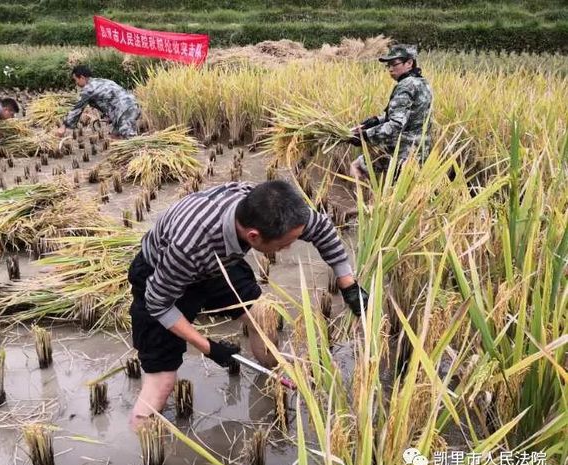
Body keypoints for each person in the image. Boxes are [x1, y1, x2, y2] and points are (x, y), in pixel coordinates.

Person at [128, 180, 369, 429]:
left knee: (263, 316)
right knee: (162, 383)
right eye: (284, 244)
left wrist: (347, 284)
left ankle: (272, 378)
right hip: (159, 278)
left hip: (217, 267)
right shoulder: (190, 245)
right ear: (253, 236)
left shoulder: (266, 207)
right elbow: (158, 304)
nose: (287, 248)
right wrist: (209, 347)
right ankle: (145, 443)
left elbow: (321, 228)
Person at [348, 44, 433, 179]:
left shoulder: (406, 86)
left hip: (403, 153)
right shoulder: (422, 83)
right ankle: (372, 196)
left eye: (394, 64)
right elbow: (407, 116)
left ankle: (364, 197)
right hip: (420, 150)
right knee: (360, 165)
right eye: (388, 65)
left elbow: (396, 125)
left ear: (409, 63)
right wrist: (373, 122)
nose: (390, 69)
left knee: (357, 167)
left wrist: (365, 136)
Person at [55, 65, 140, 140]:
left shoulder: (88, 89)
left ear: (82, 78)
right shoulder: (100, 81)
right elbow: (109, 100)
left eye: (75, 80)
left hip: (125, 109)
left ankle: (142, 155)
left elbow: (77, 108)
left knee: (129, 138)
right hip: (130, 106)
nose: (76, 83)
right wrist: (109, 116)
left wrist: (64, 127)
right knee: (114, 135)